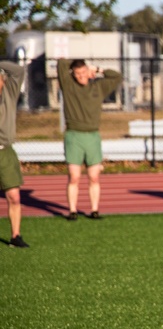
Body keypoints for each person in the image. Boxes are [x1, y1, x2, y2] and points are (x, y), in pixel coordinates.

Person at [57, 58, 123, 220]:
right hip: (74, 135)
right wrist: (75, 63)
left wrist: (98, 69)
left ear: (88, 71)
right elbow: (61, 64)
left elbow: (117, 77)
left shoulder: (98, 87)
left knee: (94, 176)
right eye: (77, 73)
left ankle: (94, 210)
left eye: (83, 72)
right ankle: (72, 210)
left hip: (92, 136)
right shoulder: (68, 86)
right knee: (74, 176)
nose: (81, 76)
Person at [1, 62, 29, 248]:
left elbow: (18, 71)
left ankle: (15, 236)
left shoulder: (8, 95)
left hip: (5, 151)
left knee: (14, 196)